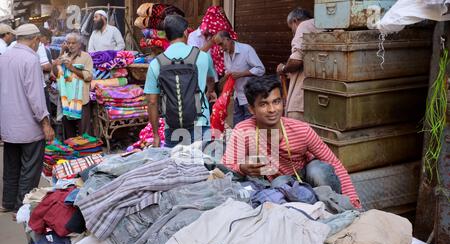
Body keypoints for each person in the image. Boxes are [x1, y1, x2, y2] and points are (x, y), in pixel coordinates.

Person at [222, 75, 361, 208]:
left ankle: (339, 208)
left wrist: (354, 201)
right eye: (263, 104)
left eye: (276, 102)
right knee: (279, 182)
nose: (272, 110)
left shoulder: (301, 130)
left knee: (318, 170)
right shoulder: (243, 131)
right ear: (251, 109)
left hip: (306, 175)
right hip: (279, 183)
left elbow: (334, 162)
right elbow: (226, 166)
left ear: (283, 102)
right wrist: (241, 168)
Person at [0, 24, 55, 214]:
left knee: (11, 166)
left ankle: (7, 203)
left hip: (8, 124)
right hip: (28, 125)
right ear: (35, 40)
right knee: (30, 168)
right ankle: (21, 208)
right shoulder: (30, 58)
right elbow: (35, 96)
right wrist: (46, 123)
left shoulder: (5, 55)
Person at [144, 15, 217, 148]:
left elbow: (152, 101)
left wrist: (155, 135)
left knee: (175, 166)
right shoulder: (203, 57)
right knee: (202, 166)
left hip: (172, 126)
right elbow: (211, 79)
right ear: (185, 32)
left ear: (166, 36)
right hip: (200, 123)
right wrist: (210, 91)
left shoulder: (156, 63)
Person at [277, 8, 321, 121]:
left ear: (295, 21)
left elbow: (296, 60)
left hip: (301, 99)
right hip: (319, 97)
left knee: (295, 133)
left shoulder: (304, 25)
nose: (292, 32)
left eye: (291, 28)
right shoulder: (322, 24)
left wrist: (283, 68)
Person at [214, 30, 265, 126]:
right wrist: (226, 77)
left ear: (228, 39)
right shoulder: (226, 53)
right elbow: (229, 71)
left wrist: (241, 74)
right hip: (237, 97)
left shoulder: (246, 50)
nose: (221, 48)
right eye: (219, 45)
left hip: (249, 97)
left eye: (221, 44)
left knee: (249, 128)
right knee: (237, 127)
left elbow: (261, 69)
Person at [53, 32, 93, 138]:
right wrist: (59, 58)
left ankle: (84, 153)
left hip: (82, 100)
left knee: (83, 132)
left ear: (79, 44)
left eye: (73, 43)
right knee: (69, 132)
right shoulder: (64, 56)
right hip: (67, 101)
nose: (70, 45)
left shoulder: (86, 57)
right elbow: (56, 74)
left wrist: (72, 68)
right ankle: (72, 152)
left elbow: (88, 76)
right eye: (68, 43)